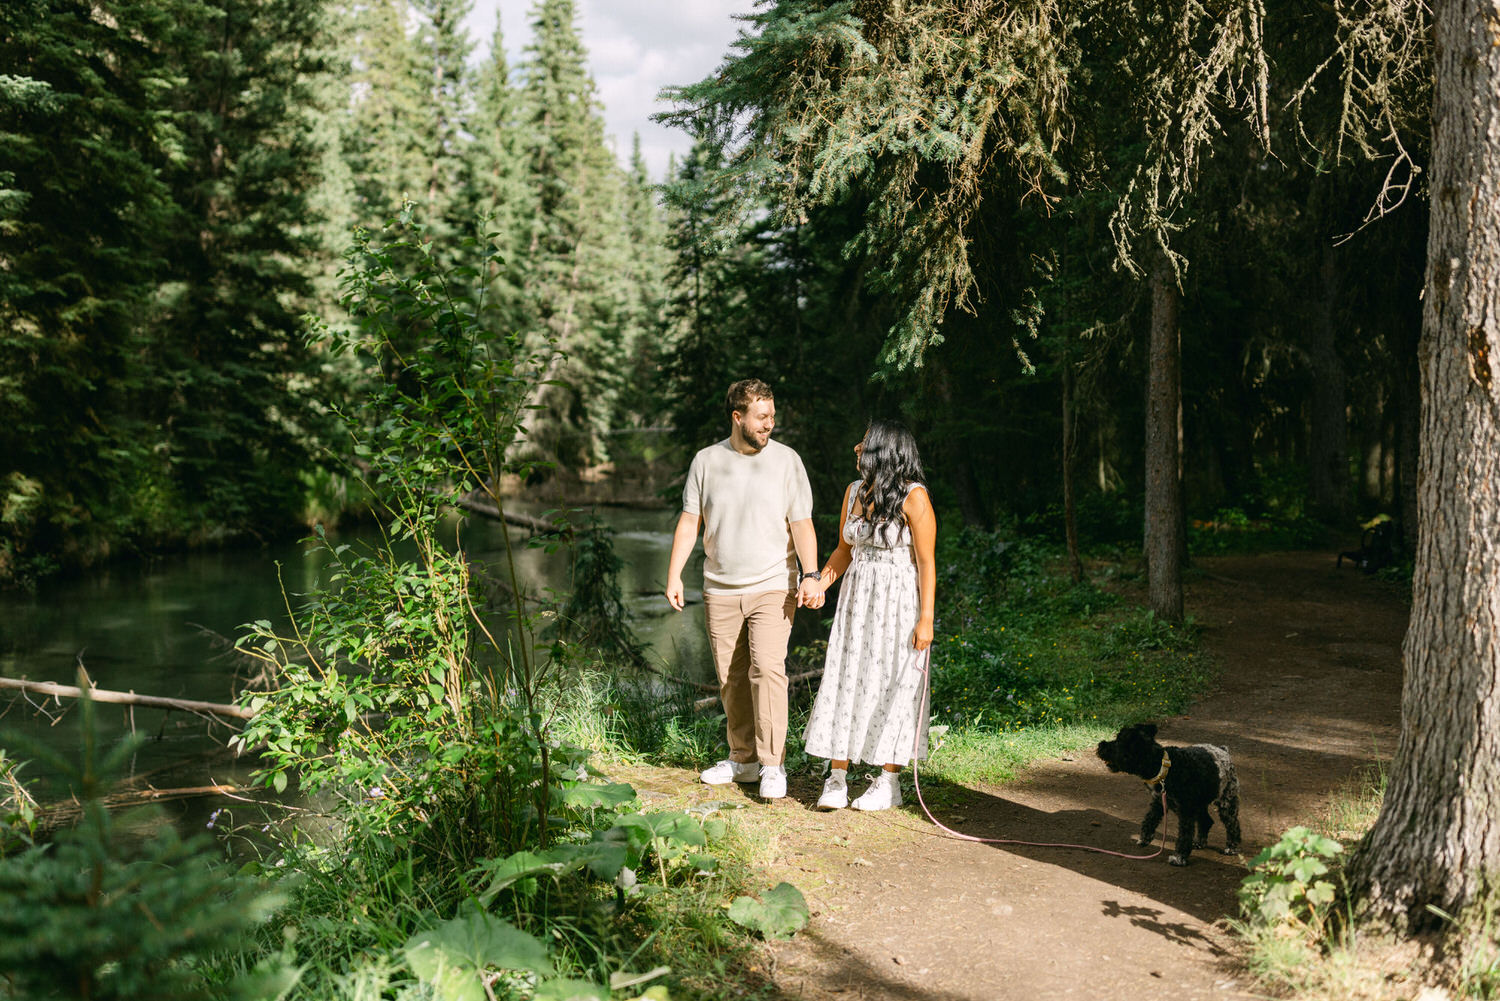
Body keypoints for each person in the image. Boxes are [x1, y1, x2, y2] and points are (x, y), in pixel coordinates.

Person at [665, 379, 823, 799]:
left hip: (774, 583)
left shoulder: (788, 462)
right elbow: (689, 521)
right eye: (762, 416)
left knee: (767, 670)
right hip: (719, 588)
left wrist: (810, 574)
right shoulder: (706, 461)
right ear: (738, 417)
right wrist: (674, 573)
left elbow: (802, 524)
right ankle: (744, 760)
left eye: (772, 415)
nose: (770, 423)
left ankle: (773, 765)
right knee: (731, 678)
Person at [802, 420, 936, 811]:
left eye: (864, 444)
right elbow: (844, 550)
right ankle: (838, 776)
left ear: (883, 450)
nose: (856, 449)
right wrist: (819, 583)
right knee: (846, 677)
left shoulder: (915, 497)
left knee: (896, 679)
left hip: (898, 603)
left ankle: (888, 781)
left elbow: (927, 563)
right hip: (857, 601)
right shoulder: (853, 492)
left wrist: (925, 618)